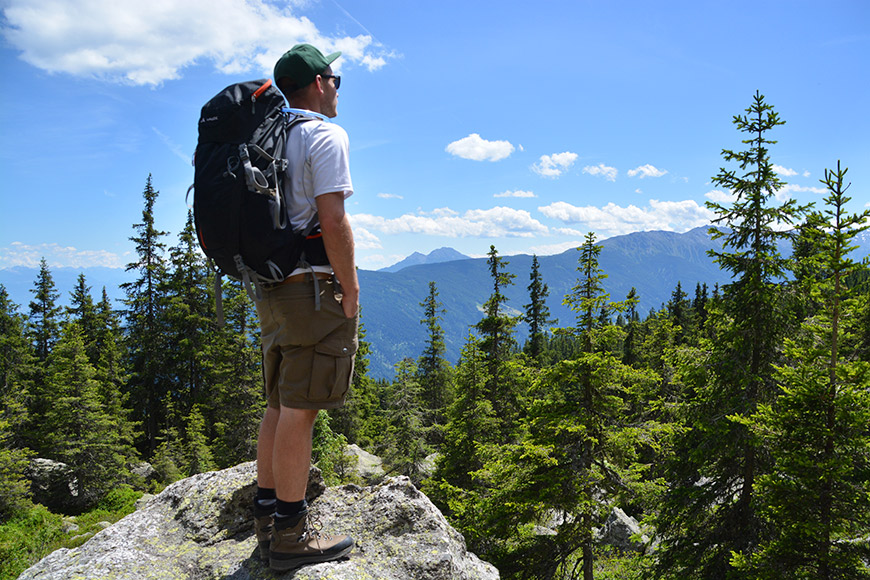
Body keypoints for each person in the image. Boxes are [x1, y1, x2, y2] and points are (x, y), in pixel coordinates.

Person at [252, 43, 359, 572]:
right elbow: (333, 220)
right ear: (317, 83)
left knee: (279, 401)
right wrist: (351, 287)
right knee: (303, 407)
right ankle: (291, 536)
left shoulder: (265, 136)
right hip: (312, 290)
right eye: (335, 78)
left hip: (270, 288)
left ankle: (267, 517)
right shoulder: (322, 134)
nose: (338, 87)